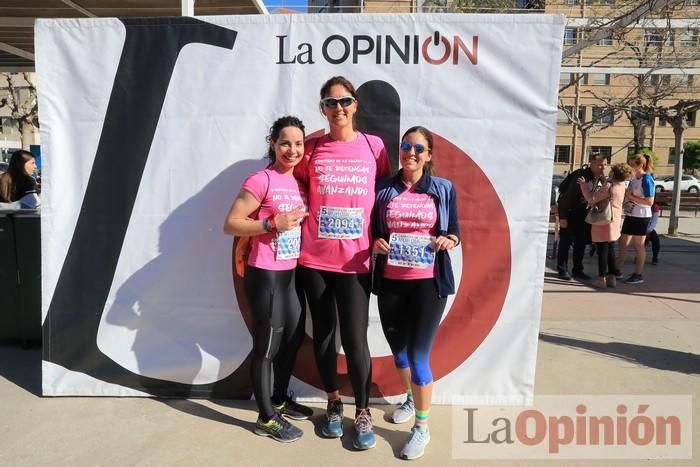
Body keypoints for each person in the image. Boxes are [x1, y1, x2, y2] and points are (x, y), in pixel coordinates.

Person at [294, 76, 391, 450]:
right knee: (324, 334)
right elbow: (297, 187)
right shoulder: (312, 147)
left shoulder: (373, 146)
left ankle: (362, 410)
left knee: (355, 338)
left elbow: (382, 192)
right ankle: (334, 403)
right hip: (315, 258)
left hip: (356, 261)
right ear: (322, 108)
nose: (338, 109)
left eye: (345, 101)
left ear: (356, 106)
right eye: (330, 103)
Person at [223, 116, 312, 443]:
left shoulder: (297, 183)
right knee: (268, 345)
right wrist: (271, 224)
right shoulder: (261, 180)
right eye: (285, 142)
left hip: (289, 274)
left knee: (293, 337)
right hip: (265, 274)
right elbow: (231, 223)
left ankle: (278, 398)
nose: (292, 149)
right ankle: (265, 417)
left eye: (298, 143)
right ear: (273, 143)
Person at [372, 126, 459, 460]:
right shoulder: (383, 189)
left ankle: (421, 427)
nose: (411, 152)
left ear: (429, 154)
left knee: (420, 358)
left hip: (428, 284)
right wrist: (375, 243)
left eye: (418, 148)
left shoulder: (443, 189)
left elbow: (454, 232)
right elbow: (373, 232)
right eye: (406, 146)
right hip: (391, 283)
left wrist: (448, 240)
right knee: (400, 356)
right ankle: (410, 398)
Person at [578, 162, 632, 289]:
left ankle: (601, 278)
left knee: (602, 249)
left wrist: (584, 186)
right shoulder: (621, 184)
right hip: (615, 220)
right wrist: (603, 178)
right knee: (611, 248)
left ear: (614, 173)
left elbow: (592, 199)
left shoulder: (608, 185)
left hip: (603, 220)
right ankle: (612, 277)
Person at [556, 154, 608, 281]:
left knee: (581, 243)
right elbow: (567, 197)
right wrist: (563, 217)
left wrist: (602, 179)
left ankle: (578, 270)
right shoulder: (582, 176)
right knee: (565, 243)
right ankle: (562, 269)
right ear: (591, 163)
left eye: (605, 164)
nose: (603, 167)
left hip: (583, 215)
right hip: (570, 213)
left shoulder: (596, 177)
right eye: (600, 164)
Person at [617, 154, 655, 284]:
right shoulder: (633, 179)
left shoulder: (647, 179)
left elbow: (649, 201)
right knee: (623, 242)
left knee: (639, 245)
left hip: (642, 216)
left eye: (632, 165)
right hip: (631, 214)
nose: (630, 167)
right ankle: (617, 270)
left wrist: (631, 197)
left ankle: (638, 274)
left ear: (640, 165)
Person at [645, 200, 661, 265]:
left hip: (649, 229)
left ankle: (655, 258)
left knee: (656, 242)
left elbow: (654, 221)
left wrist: (649, 231)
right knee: (642, 242)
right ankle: (639, 256)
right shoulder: (643, 206)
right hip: (640, 227)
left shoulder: (655, 207)